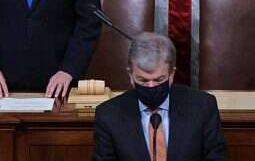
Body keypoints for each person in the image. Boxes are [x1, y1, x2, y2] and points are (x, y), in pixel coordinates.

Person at [93, 33, 226, 160]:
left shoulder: (202, 107)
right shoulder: (109, 115)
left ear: (172, 74)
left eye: (158, 80)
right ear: (130, 75)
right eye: (143, 80)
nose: (151, 86)